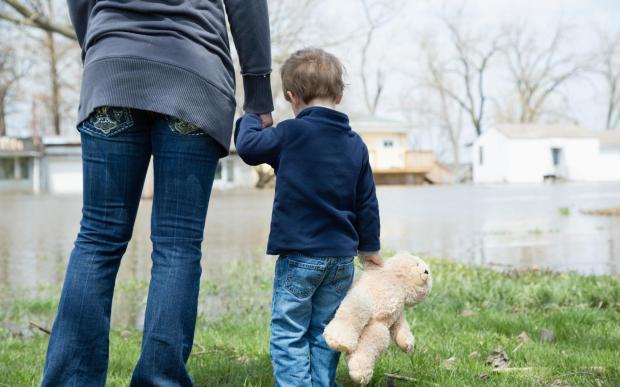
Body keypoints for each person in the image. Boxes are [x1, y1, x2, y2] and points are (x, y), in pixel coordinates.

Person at [41, 1, 273, 386]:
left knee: (98, 238)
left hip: (112, 67)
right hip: (194, 76)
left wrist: (99, 47)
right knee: (177, 246)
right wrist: (259, 96)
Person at [235, 48, 383, 387]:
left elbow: (249, 147)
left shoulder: (289, 133)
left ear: (292, 97)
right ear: (340, 95)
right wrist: (370, 248)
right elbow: (367, 202)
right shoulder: (355, 144)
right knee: (327, 329)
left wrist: (252, 115)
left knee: (289, 330)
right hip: (342, 259)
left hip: (300, 256)